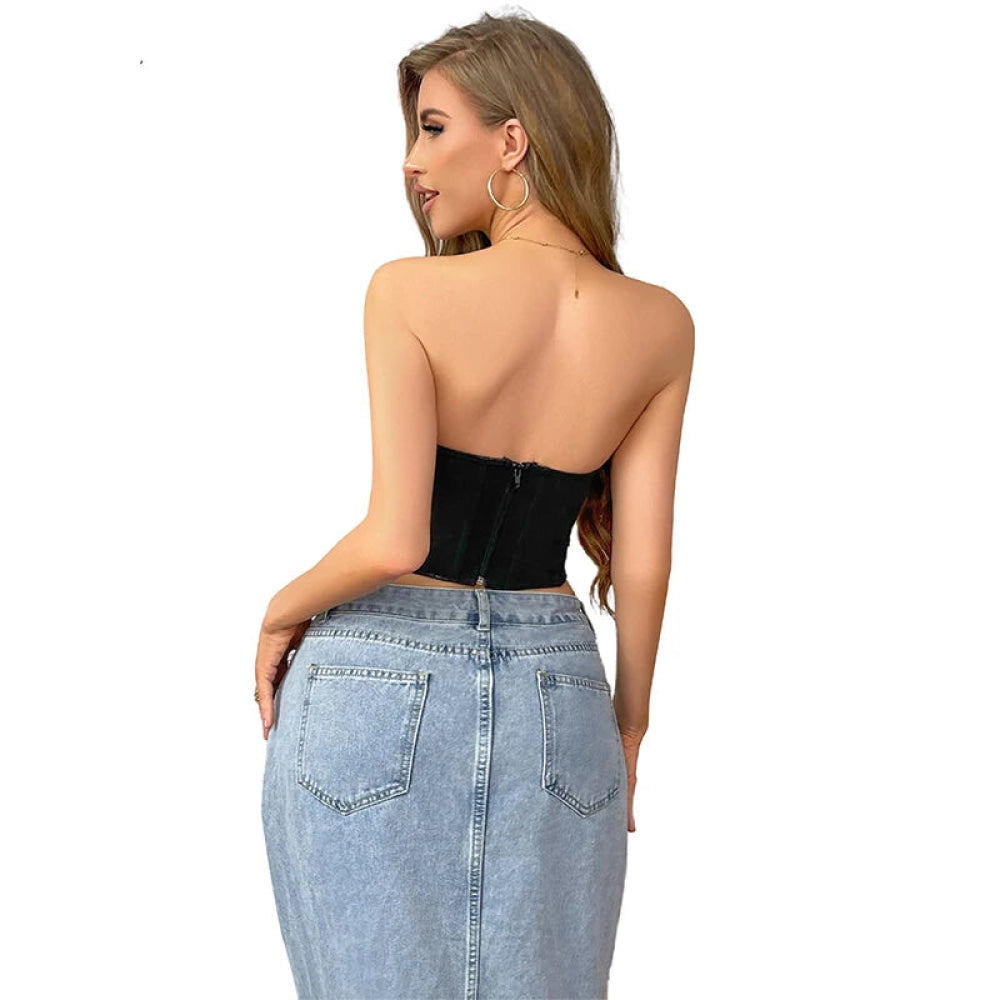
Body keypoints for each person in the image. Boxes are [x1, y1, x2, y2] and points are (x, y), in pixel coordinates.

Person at [258, 12, 694, 999]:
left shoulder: (408, 293)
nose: (411, 161)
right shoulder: (661, 324)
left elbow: (395, 536)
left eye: (433, 127)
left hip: (377, 678)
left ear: (512, 140)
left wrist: (280, 609)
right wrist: (629, 724)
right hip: (560, 691)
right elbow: (645, 565)